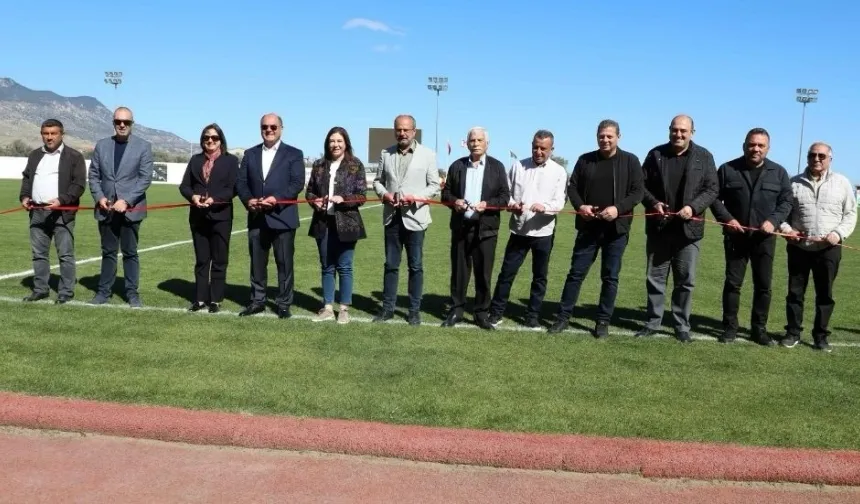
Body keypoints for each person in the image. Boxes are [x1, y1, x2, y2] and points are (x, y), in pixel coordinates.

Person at [548, 120, 643, 336]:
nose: (605, 140)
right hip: (588, 228)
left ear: (619, 136)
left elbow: (637, 192)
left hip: (616, 230)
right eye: (601, 136)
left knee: (610, 277)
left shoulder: (630, 161)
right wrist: (581, 206)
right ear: (596, 136)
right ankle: (562, 318)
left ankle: (602, 322)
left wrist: (618, 209)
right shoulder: (585, 160)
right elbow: (573, 189)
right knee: (576, 274)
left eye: (609, 136)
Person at [634, 114, 718, 343]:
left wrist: (693, 207)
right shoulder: (655, 155)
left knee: (685, 281)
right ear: (669, 130)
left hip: (688, 232)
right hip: (659, 228)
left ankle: (681, 325)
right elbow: (640, 186)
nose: (678, 134)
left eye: (683, 131)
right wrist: (653, 203)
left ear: (692, 132)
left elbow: (712, 189)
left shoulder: (704, 156)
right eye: (675, 130)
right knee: (655, 279)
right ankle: (652, 323)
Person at [710, 128, 792, 345]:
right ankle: (729, 328)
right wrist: (728, 219)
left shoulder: (779, 173)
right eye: (751, 144)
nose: (755, 149)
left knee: (763, 285)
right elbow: (715, 199)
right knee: (733, 284)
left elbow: (786, 202)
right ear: (744, 145)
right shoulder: (728, 169)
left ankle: (759, 329)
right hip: (736, 237)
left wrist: (773, 221)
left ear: (767, 148)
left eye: (760, 145)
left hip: (764, 239)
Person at [779, 142, 857, 352]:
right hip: (799, 247)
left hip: (829, 249)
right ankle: (793, 333)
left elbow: (850, 214)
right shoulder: (794, 183)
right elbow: (782, 213)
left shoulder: (842, 183)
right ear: (807, 157)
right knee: (795, 294)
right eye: (813, 155)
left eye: (822, 156)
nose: (817, 159)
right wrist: (788, 230)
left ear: (830, 158)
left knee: (825, 295)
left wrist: (838, 233)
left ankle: (820, 337)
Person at [487, 129, 568, 330]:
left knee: (539, 277)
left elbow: (559, 202)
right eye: (535, 147)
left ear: (551, 149)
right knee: (506, 274)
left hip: (543, 233)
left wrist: (545, 208)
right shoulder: (518, 166)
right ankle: (496, 313)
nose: (538, 151)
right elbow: (505, 194)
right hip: (519, 231)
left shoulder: (559, 171)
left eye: (543, 148)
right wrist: (513, 204)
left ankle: (532, 316)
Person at [371, 114, 440, 326]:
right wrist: (385, 195)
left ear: (414, 131)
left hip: (415, 218)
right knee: (391, 265)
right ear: (395, 130)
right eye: (398, 129)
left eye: (406, 130)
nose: (402, 133)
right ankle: (388, 309)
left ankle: (414, 311)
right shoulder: (386, 154)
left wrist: (416, 198)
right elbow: (377, 181)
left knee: (415, 266)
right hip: (392, 218)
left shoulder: (428, 154)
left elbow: (434, 185)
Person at [235, 113, 305, 319]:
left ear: (281, 128)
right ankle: (257, 301)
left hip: (282, 217)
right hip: (257, 217)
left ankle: (283, 303)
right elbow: (241, 183)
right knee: (257, 263)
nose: (269, 130)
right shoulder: (250, 154)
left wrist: (277, 199)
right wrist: (249, 200)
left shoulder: (294, 153)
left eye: (273, 127)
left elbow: (297, 183)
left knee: (284, 263)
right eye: (265, 127)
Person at [440, 126, 510, 329]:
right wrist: (456, 202)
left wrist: (487, 204)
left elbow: (505, 197)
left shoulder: (497, 167)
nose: (476, 144)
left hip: (486, 229)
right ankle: (456, 310)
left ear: (487, 143)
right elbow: (446, 195)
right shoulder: (457, 166)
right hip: (461, 227)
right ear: (467, 143)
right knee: (459, 272)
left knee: (483, 273)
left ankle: (481, 313)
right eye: (473, 140)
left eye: (480, 140)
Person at [87, 106, 154, 307]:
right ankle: (103, 292)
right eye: (118, 122)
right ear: (113, 123)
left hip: (130, 210)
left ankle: (132, 294)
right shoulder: (102, 145)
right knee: (107, 252)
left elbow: (145, 179)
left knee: (130, 252)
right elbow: (94, 176)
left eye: (126, 122)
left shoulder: (143, 146)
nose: (122, 125)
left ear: (132, 124)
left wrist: (126, 200)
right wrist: (99, 197)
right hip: (106, 210)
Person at [18, 119, 87, 304]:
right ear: (42, 134)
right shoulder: (34, 156)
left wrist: (61, 200)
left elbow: (79, 184)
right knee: (38, 254)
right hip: (37, 212)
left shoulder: (74, 156)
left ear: (61, 134)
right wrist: (25, 197)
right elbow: (26, 179)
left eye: (53, 133)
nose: (49, 137)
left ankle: (66, 291)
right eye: (45, 133)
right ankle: (41, 289)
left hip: (62, 213)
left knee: (65, 254)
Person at [305, 126, 368, 324]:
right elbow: (309, 192)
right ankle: (327, 307)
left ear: (346, 143)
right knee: (326, 266)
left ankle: (344, 309)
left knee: (345, 266)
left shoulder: (355, 165)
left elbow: (362, 196)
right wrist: (314, 200)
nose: (335, 144)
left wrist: (344, 199)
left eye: (339, 141)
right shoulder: (319, 165)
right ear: (327, 143)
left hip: (347, 224)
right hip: (323, 223)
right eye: (332, 141)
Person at [178, 123, 240, 314]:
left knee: (220, 259)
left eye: (214, 138)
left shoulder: (230, 161)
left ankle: (216, 299)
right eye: (206, 138)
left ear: (221, 140)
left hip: (221, 217)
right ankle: (200, 298)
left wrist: (215, 199)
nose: (210, 141)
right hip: (198, 217)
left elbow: (233, 188)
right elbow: (184, 186)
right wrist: (193, 197)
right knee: (202, 260)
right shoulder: (195, 160)